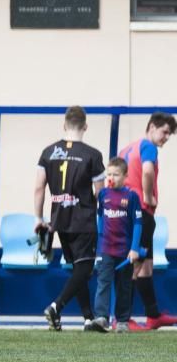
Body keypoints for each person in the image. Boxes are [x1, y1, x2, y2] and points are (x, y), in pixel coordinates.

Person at [34, 106, 105, 331]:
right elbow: (100, 192)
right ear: (85, 126)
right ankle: (56, 306)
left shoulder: (48, 152)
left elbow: (39, 187)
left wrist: (38, 217)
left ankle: (87, 318)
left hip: (60, 220)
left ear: (64, 125)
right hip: (83, 218)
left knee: (77, 267)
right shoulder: (93, 155)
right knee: (84, 268)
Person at [119, 111, 177, 330]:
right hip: (140, 213)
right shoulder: (148, 147)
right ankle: (122, 318)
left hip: (131, 213)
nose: (166, 137)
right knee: (135, 264)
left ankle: (153, 315)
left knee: (146, 266)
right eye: (164, 132)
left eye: (169, 135)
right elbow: (147, 171)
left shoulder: (127, 148)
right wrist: (148, 196)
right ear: (152, 126)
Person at [91, 158, 143, 333]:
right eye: (109, 174)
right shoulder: (103, 194)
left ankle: (121, 320)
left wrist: (134, 248)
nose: (111, 177)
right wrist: (98, 246)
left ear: (125, 176)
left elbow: (137, 223)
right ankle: (101, 318)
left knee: (124, 285)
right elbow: (100, 219)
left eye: (116, 174)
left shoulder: (132, 196)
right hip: (105, 248)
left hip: (124, 250)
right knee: (103, 282)